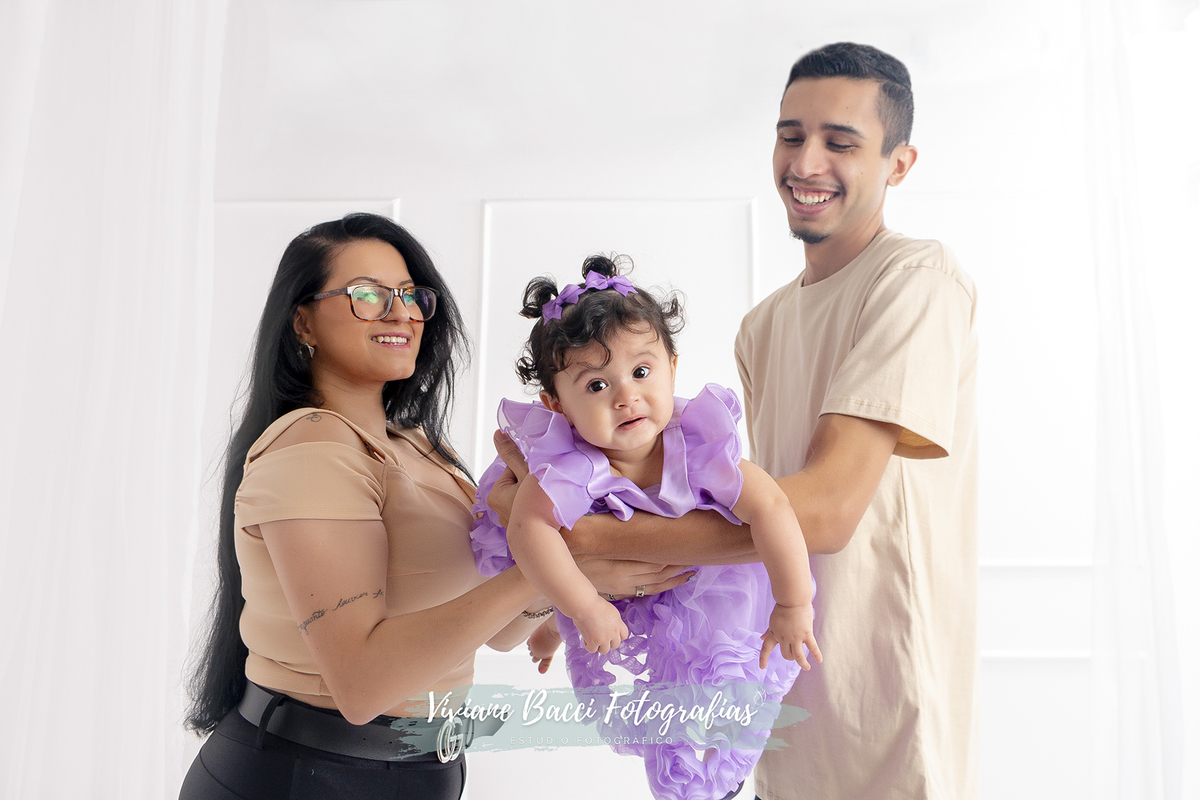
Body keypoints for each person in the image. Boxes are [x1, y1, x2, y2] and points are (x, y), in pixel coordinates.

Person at [490, 42, 979, 800]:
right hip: (766, 679)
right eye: (791, 135)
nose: (806, 162)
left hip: (879, 683)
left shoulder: (914, 279)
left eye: (840, 142)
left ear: (899, 164)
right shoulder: (766, 323)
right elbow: (703, 495)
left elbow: (825, 512)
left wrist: (590, 539)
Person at [179, 213, 689, 800]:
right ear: (303, 321)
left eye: (411, 295)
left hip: (418, 771)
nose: (400, 312)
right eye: (367, 295)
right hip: (308, 775)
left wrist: (559, 564)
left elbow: (499, 633)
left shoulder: (418, 447)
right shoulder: (313, 448)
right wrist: (560, 568)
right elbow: (363, 687)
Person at [470, 254, 820, 800]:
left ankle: (710, 775)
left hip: (702, 588)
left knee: (715, 692)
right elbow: (529, 532)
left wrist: (793, 604)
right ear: (556, 405)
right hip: (615, 590)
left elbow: (772, 508)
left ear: (672, 368)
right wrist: (583, 608)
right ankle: (561, 626)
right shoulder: (569, 464)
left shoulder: (698, 446)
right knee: (572, 583)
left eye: (640, 372)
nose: (625, 397)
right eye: (595, 385)